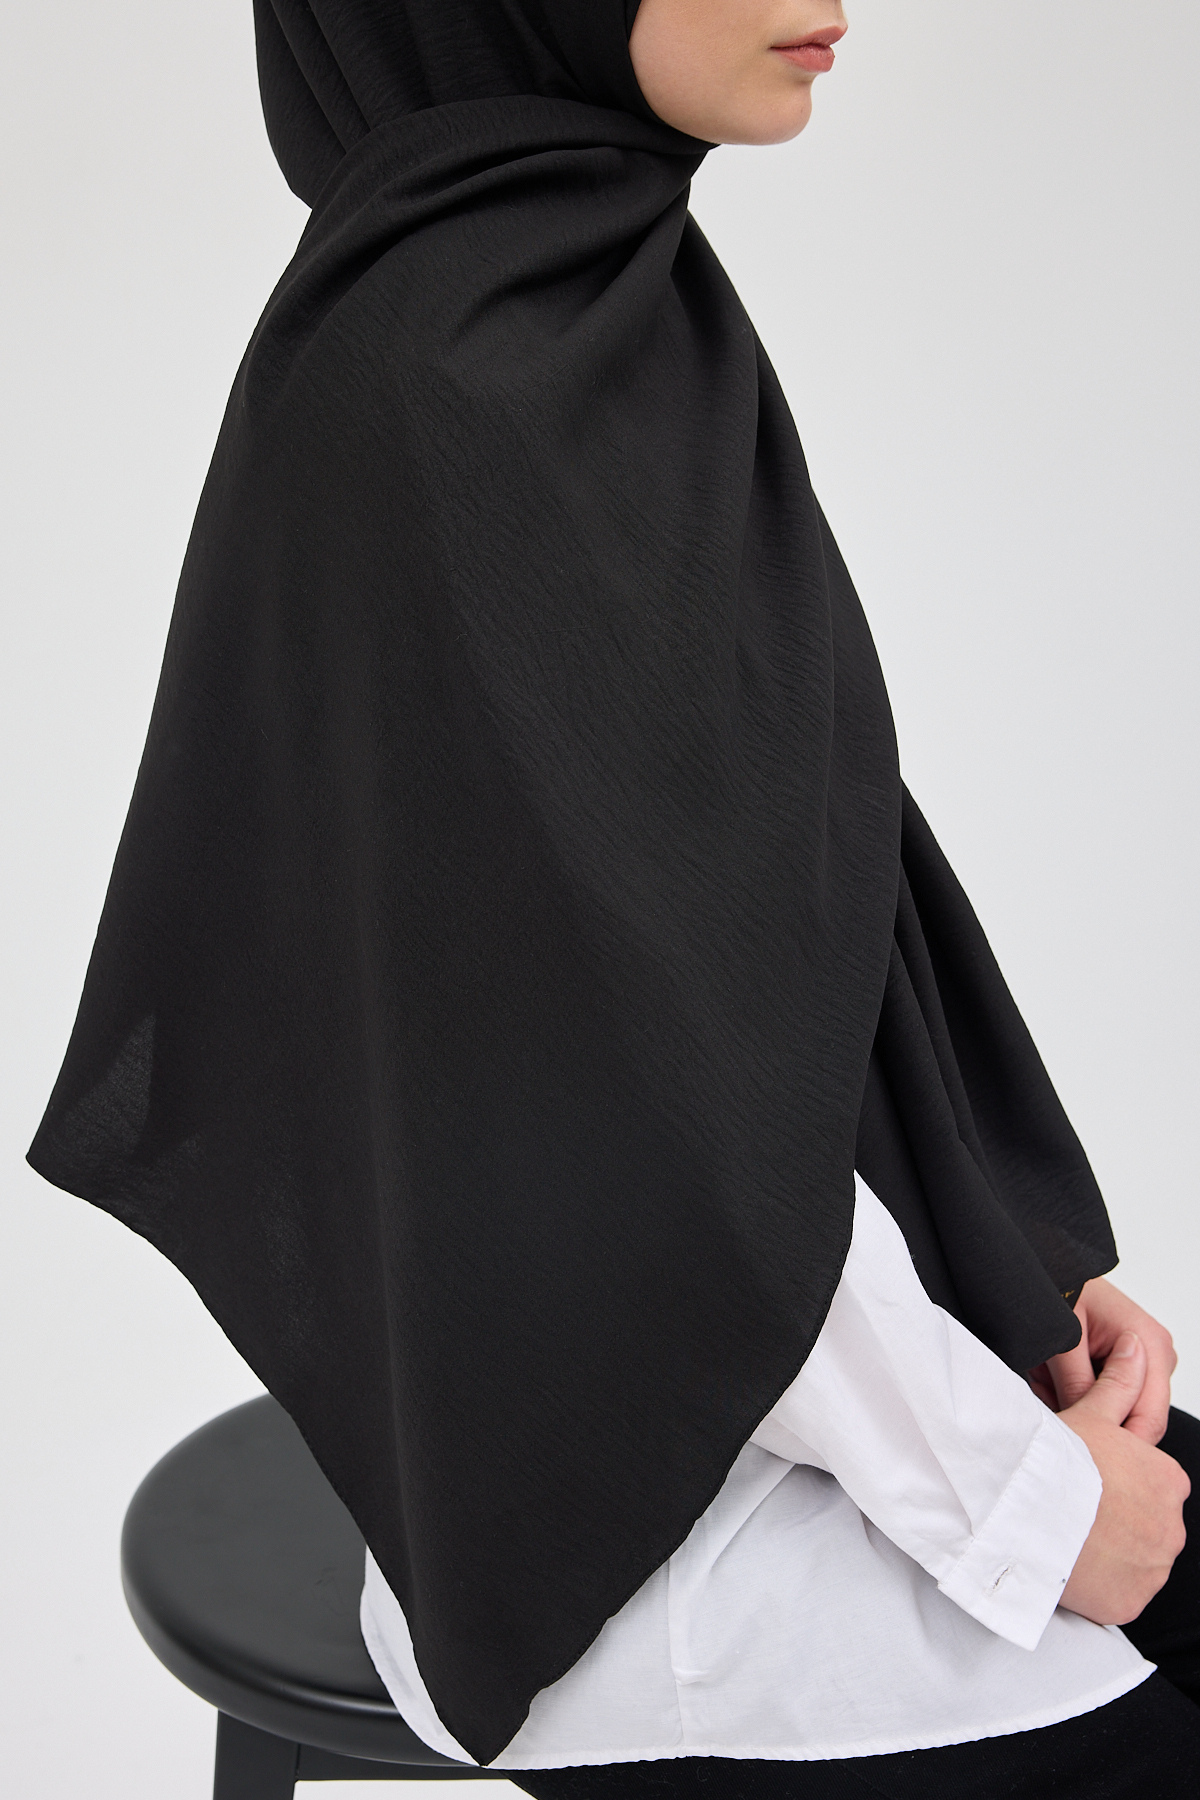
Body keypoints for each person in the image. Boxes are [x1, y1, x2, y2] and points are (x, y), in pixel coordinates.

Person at [28, 1, 1198, 1793]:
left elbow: (778, 912)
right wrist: (1027, 1512)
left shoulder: (587, 298)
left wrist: (1013, 1271)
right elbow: (658, 1129)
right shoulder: (454, 392)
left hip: (779, 1377)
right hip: (633, 1528)